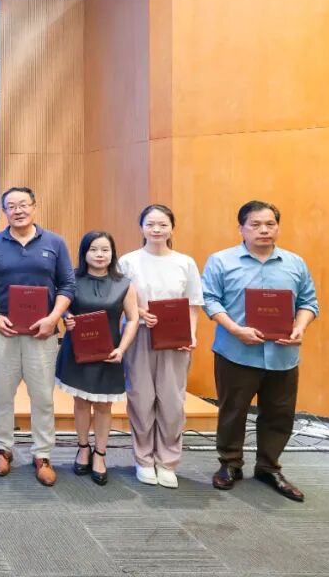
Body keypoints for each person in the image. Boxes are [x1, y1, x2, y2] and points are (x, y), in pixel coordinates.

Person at [202, 200, 318, 502]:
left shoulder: (295, 263)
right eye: (255, 224)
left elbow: (309, 302)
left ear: (277, 227)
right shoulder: (221, 261)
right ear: (241, 228)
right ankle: (230, 464)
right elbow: (210, 300)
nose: (263, 230)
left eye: (270, 224)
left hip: (282, 354)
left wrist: (300, 327)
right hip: (236, 351)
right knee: (232, 411)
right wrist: (235, 329)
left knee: (279, 414)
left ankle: (268, 466)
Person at [0, 186, 75, 484]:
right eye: (11, 206)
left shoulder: (55, 243)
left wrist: (53, 318)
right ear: (4, 211)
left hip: (43, 332)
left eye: (23, 204)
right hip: (4, 331)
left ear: (34, 206)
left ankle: (42, 454)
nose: (18, 210)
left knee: (42, 396)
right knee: (2, 393)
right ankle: (2, 448)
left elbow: (67, 285)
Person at [117, 204, 204, 488]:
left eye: (163, 224)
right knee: (141, 399)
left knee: (172, 402)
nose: (156, 229)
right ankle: (144, 459)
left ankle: (167, 461)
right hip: (139, 336)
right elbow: (118, 301)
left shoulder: (185, 262)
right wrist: (139, 312)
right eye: (150, 224)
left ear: (172, 228)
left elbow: (193, 303)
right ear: (141, 227)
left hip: (175, 340)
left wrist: (191, 334)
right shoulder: (128, 262)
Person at [56, 231, 139, 486]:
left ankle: (100, 454)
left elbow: (133, 319)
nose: (99, 255)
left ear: (113, 253)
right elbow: (62, 307)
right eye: (93, 249)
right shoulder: (71, 279)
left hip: (109, 354)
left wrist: (122, 349)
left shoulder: (124, 283)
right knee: (81, 402)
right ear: (84, 253)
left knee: (104, 406)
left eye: (105, 250)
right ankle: (83, 448)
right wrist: (66, 317)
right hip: (77, 351)